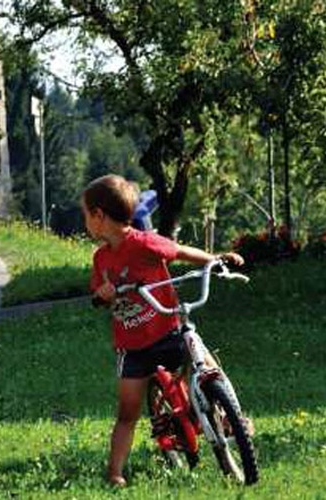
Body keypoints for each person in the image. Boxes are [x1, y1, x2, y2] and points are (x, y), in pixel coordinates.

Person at [82, 174, 244, 486]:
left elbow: (180, 251)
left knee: (201, 355)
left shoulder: (144, 243)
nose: (86, 222)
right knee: (127, 412)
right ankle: (115, 472)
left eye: (86, 215)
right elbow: (98, 292)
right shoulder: (101, 258)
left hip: (166, 329)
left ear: (99, 216)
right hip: (132, 347)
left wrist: (216, 260)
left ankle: (230, 417)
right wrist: (103, 294)